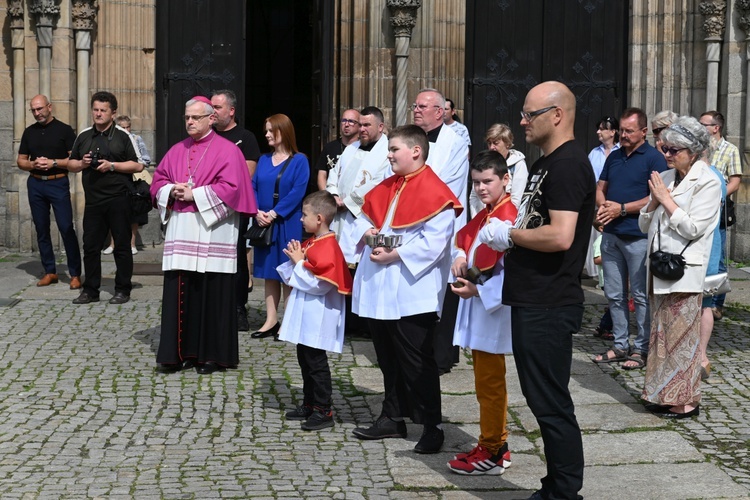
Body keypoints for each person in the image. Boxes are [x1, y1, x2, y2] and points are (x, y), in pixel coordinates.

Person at [479, 81, 594, 500]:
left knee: (550, 402)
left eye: (530, 114)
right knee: (543, 399)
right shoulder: (546, 162)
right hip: (533, 296)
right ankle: (556, 486)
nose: (522, 121)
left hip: (549, 300)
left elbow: (561, 236)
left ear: (557, 115)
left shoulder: (567, 165)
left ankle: (564, 492)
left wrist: (508, 235)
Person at [349, 125, 462, 454]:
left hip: (412, 291)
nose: (389, 154)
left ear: (415, 150)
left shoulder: (435, 191)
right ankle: (392, 416)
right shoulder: (387, 185)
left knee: (417, 361)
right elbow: (365, 224)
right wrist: (376, 240)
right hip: (380, 287)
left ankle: (432, 425)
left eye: (394, 148)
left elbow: (434, 243)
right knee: (387, 358)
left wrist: (394, 252)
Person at [151, 96, 256, 375]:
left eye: (195, 117)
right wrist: (171, 191)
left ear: (211, 118)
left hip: (214, 232)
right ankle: (180, 353)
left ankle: (212, 356)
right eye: (186, 117)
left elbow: (234, 188)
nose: (189, 122)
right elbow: (158, 180)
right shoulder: (176, 150)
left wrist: (194, 194)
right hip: (182, 230)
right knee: (182, 290)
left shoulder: (229, 151)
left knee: (212, 291)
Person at [639, 116, 722, 419]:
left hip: (685, 272)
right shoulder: (667, 176)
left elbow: (694, 228)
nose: (668, 154)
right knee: (661, 338)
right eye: (666, 148)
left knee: (682, 341)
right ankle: (663, 394)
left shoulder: (709, 181)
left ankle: (686, 402)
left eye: (675, 150)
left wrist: (665, 200)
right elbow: (645, 223)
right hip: (660, 267)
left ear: (694, 150)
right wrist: (652, 203)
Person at [446, 150, 516, 476]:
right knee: (484, 382)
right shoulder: (489, 211)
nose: (481, 188)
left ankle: (493, 450)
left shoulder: (508, 215)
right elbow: (465, 240)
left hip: (493, 310)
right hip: (480, 306)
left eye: (487, 181)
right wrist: (460, 258)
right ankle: (494, 443)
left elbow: (512, 273)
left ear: (505, 179)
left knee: (490, 384)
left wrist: (479, 290)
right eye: (476, 182)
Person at [593, 108, 668, 370]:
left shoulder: (654, 159)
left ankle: (642, 348)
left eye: (628, 131)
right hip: (611, 234)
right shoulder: (613, 157)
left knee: (640, 294)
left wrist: (622, 208)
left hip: (637, 235)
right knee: (614, 294)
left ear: (644, 132)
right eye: (621, 130)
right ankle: (620, 345)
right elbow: (600, 187)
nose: (623, 135)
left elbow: (657, 197)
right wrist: (603, 208)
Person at [277, 191, 353, 431]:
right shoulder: (313, 242)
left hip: (319, 314)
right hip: (306, 313)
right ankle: (309, 403)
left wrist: (299, 263)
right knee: (305, 360)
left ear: (319, 218)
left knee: (316, 364)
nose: (301, 219)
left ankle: (323, 409)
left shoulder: (328, 246)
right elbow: (301, 275)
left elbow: (319, 285)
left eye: (305, 214)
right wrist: (294, 260)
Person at [412, 88, 470, 376]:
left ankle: (442, 354)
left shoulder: (455, 142)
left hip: (442, 221)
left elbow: (444, 183)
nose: (416, 110)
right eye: (415, 105)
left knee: (445, 285)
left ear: (440, 111)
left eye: (423, 106)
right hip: (411, 225)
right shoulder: (410, 137)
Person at [67, 91, 144, 305]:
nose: (98, 114)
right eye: (95, 110)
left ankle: (122, 289)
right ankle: (90, 290)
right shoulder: (84, 135)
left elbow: (138, 164)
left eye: (103, 110)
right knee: (90, 246)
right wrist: (82, 163)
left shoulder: (123, 135)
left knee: (121, 245)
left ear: (113, 113)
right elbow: (70, 164)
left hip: (119, 198)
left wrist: (112, 165)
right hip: (93, 201)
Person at [326, 106, 391, 337]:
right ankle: (346, 321)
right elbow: (335, 173)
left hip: (364, 218)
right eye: (359, 125)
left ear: (380, 127)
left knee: (362, 270)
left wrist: (349, 201)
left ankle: (363, 324)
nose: (361, 129)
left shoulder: (387, 152)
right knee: (343, 267)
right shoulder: (351, 148)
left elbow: (380, 183)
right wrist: (333, 195)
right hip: (341, 217)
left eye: (366, 125)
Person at [251, 114, 310, 339]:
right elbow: (253, 186)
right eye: (265, 130)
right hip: (264, 223)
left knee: (288, 271)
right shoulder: (264, 160)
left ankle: (290, 320)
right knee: (269, 273)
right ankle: (271, 320)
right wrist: (257, 211)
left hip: (287, 222)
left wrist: (275, 212)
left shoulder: (299, 160)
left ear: (282, 131)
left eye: (270, 130)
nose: (266, 134)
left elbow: (298, 191)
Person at [16, 95, 82, 289]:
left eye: (40, 109)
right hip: (35, 184)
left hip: (58, 182)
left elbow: (74, 161)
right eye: (33, 110)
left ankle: (75, 273)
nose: (37, 113)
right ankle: (50, 271)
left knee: (65, 227)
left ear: (49, 107)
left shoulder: (65, 130)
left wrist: (53, 162)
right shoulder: (29, 132)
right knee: (41, 228)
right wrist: (32, 164)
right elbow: (20, 160)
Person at [211, 89, 262, 332]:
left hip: (234, 209)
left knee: (238, 258)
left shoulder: (246, 137)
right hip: (205, 206)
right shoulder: (206, 136)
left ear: (231, 111)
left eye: (218, 107)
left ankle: (238, 308)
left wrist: (220, 191)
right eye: (211, 107)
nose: (213, 111)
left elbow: (247, 172)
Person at [700, 111, 743, 321]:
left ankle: (717, 303)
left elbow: (735, 181)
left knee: (717, 259)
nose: (700, 127)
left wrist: (717, 194)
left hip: (719, 208)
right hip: (699, 208)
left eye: (703, 124)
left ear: (715, 127)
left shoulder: (730, 150)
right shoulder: (699, 148)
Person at [102, 115, 152, 256]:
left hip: (134, 179)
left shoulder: (136, 139)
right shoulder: (111, 140)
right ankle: (113, 244)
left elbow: (146, 159)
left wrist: (133, 163)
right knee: (113, 211)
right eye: (122, 127)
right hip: (117, 179)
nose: (126, 130)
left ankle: (132, 244)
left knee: (134, 212)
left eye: (128, 127)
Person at [583, 116, 620, 279]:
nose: (598, 131)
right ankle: (594, 273)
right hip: (596, 202)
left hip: (615, 202)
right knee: (595, 237)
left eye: (602, 128)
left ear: (613, 132)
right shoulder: (594, 153)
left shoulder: (620, 151)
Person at [481, 123, 529, 211]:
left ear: (507, 143)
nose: (491, 147)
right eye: (489, 143)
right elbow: (474, 196)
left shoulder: (518, 164)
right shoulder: (483, 163)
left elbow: (517, 198)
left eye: (495, 143)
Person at [316, 109, 360, 191]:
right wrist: (327, 198)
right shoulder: (329, 148)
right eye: (344, 120)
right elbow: (322, 175)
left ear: (359, 125)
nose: (346, 124)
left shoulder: (363, 148)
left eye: (351, 121)